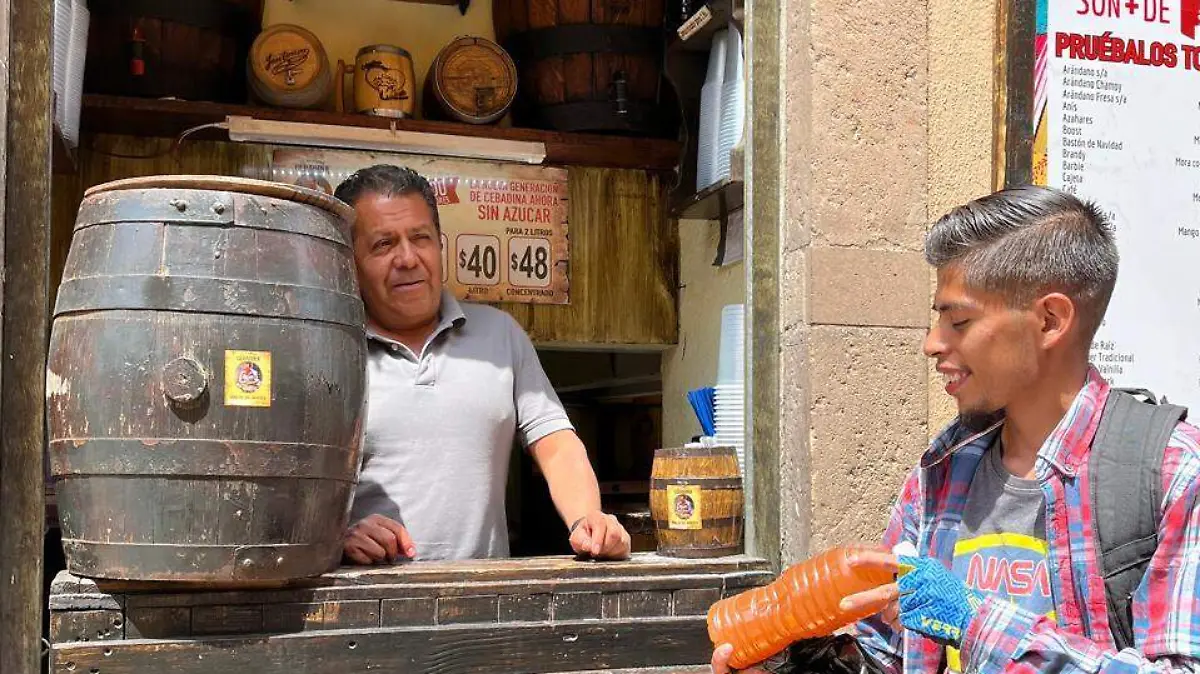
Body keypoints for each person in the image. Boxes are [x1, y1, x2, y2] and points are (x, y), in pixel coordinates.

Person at [712, 186, 1200, 674]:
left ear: (1050, 320)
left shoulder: (1173, 474)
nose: (931, 344)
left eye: (959, 321)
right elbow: (888, 656)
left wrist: (974, 624)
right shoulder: (944, 467)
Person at [333, 164, 631, 563]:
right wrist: (339, 537)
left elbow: (557, 446)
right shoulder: (330, 348)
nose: (407, 258)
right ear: (350, 261)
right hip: (367, 606)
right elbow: (288, 487)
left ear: (439, 245)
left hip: (483, 602)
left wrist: (588, 520)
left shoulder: (500, 335)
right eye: (383, 245)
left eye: (420, 238)